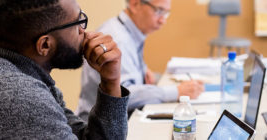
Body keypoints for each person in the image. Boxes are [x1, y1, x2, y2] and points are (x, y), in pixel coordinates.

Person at [0, 0, 130, 139]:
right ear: (45, 45)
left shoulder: (8, 71)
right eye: (77, 22)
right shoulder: (20, 96)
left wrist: (111, 81)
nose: (84, 31)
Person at [76, 0, 204, 121]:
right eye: (159, 10)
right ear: (135, 4)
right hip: (98, 127)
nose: (163, 20)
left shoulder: (130, 32)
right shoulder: (119, 38)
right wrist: (176, 92)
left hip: (116, 121)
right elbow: (122, 96)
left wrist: (142, 73)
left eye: (166, 13)